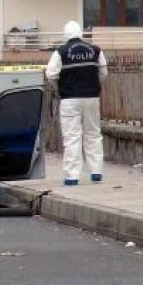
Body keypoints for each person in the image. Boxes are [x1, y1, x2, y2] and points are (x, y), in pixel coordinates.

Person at [45, 20, 108, 186]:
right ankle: (96, 173)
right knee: (93, 134)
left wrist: (59, 88)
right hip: (92, 98)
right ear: (81, 33)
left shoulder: (61, 52)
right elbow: (103, 72)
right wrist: (95, 85)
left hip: (70, 99)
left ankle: (72, 176)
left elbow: (51, 74)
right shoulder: (95, 50)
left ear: (66, 35)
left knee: (72, 137)